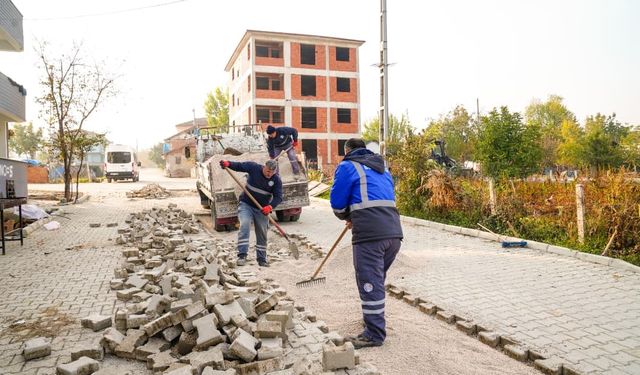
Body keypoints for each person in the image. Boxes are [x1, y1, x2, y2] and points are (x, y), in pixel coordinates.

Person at [330, 138, 403, 349]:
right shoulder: (383, 168)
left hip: (370, 235)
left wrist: (347, 216)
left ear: (347, 150)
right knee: (376, 281)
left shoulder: (347, 166)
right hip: (393, 232)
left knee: (370, 283)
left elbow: (337, 203)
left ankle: (374, 333)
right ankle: (373, 320)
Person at [219, 158, 282, 267]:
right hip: (246, 204)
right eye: (268, 171)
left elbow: (278, 197)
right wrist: (228, 164)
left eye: (272, 172)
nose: (269, 174)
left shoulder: (276, 180)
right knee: (245, 224)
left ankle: (262, 259)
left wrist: (270, 207)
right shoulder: (254, 168)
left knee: (262, 232)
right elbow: (239, 166)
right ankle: (242, 255)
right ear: (264, 167)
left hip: (262, 209)